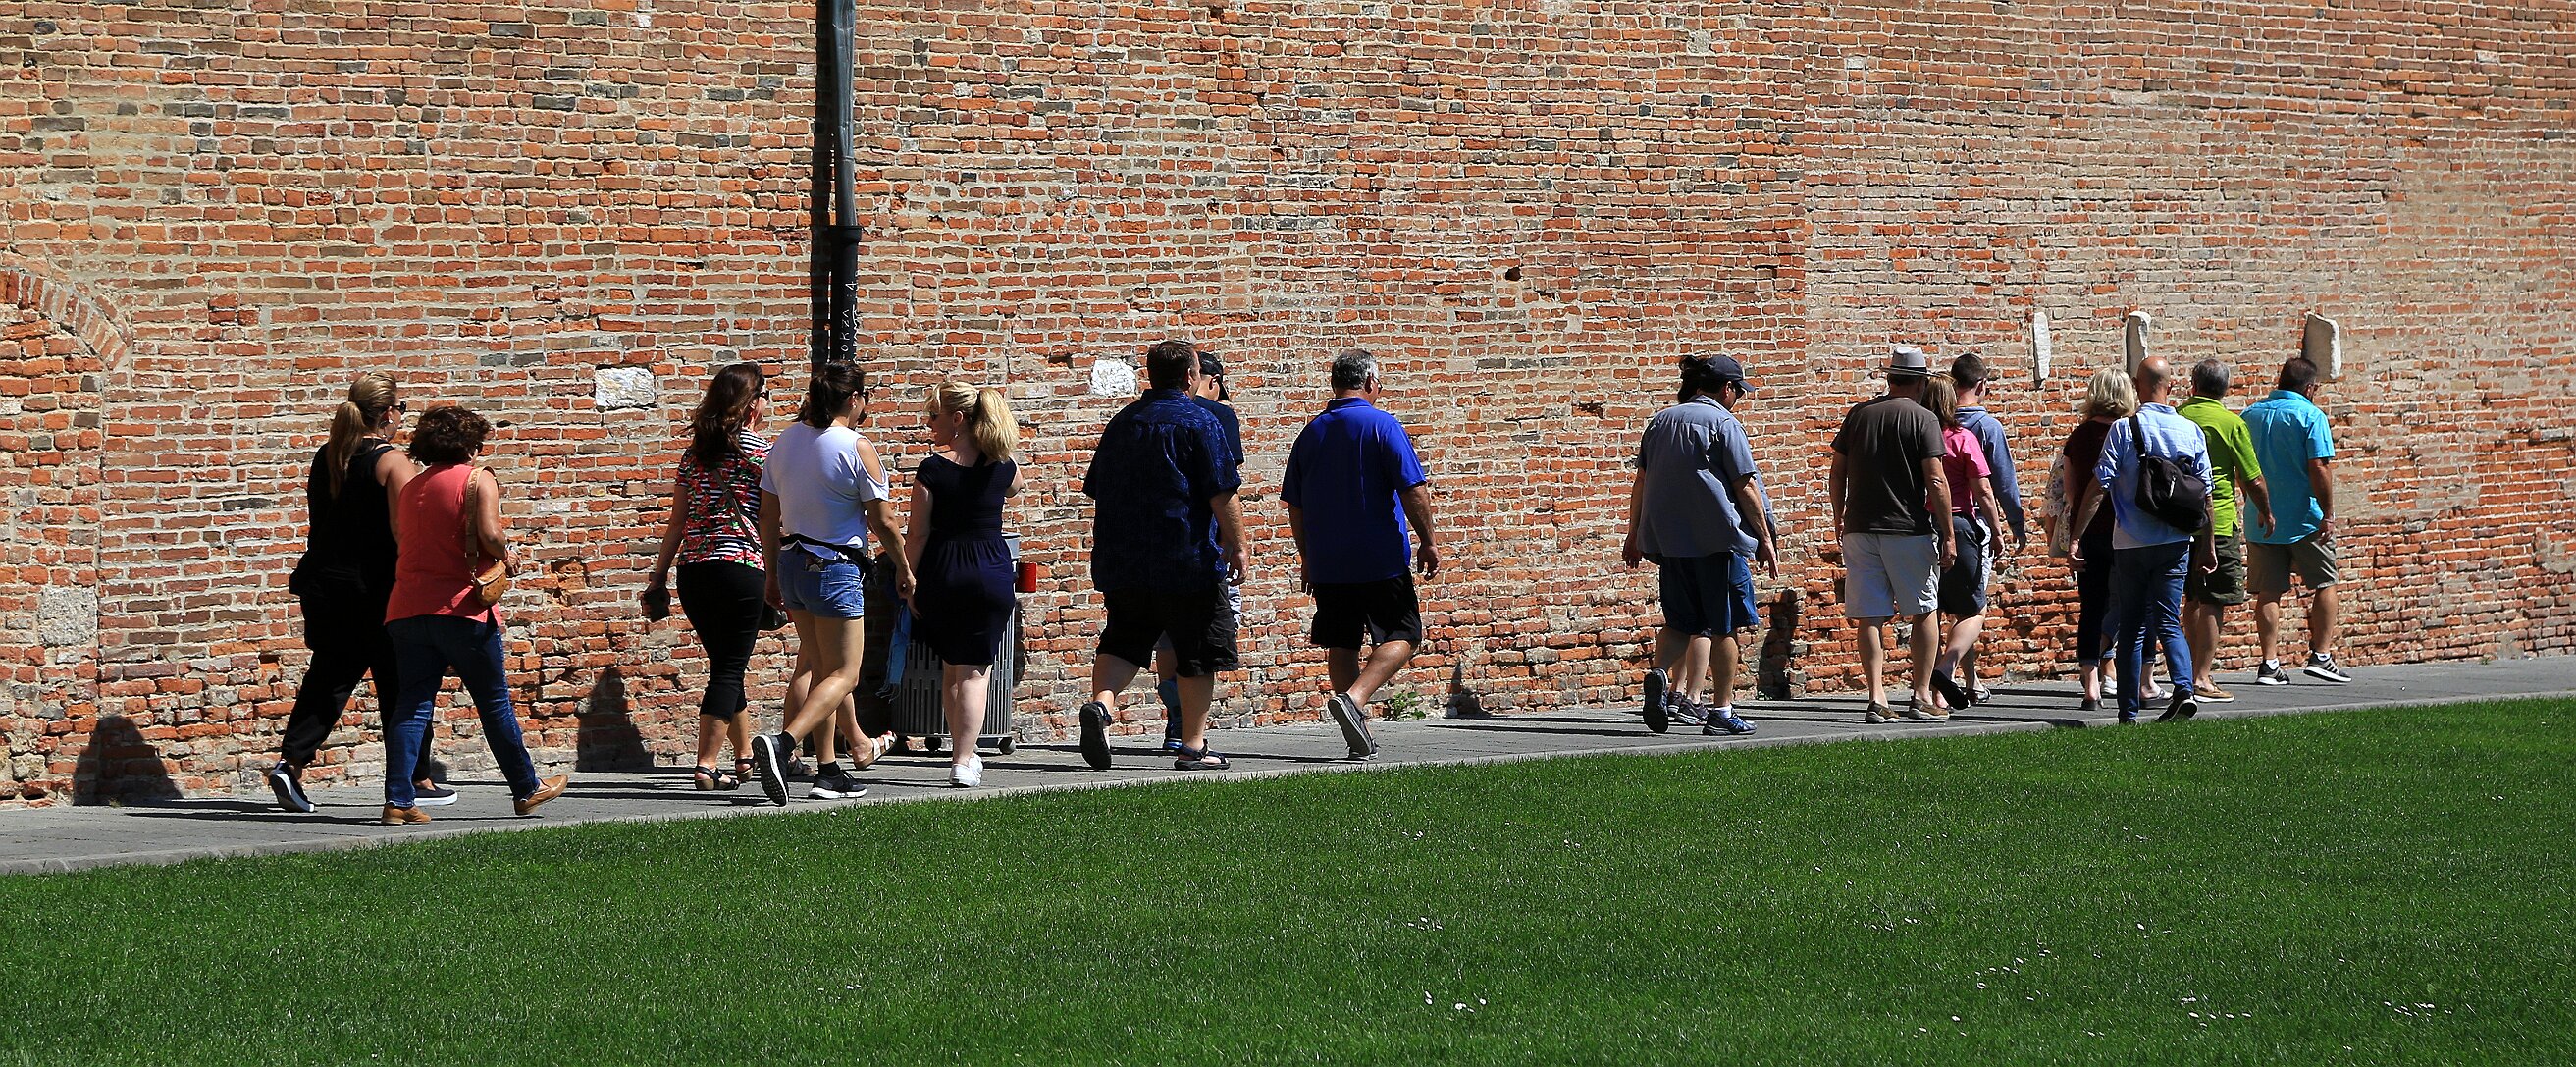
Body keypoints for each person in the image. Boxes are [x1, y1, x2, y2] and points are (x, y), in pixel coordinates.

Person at [265, 372, 448, 813]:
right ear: (386, 414)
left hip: (325, 586)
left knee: (329, 678)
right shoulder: (392, 463)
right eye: (400, 409)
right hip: (379, 590)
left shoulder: (328, 454)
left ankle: (291, 763)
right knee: (404, 682)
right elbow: (406, 533)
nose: (402, 417)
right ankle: (413, 778)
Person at [379, 405, 568, 824]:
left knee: (412, 705)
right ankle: (526, 787)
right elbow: (489, 534)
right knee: (494, 701)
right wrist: (507, 554)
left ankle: (398, 800)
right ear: (469, 445)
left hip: (407, 607)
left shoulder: (412, 487)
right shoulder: (477, 479)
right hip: (462, 607)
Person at [1076, 340, 1246, 772]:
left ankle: (1102, 705)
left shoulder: (1122, 422)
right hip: (1185, 559)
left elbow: (1097, 488)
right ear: (1190, 376)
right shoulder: (1201, 421)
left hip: (1124, 559)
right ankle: (1193, 746)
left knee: (1124, 638)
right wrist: (1238, 544)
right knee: (1196, 651)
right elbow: (1221, 491)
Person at [750, 362, 914, 805]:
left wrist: (771, 572)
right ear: (854, 399)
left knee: (823, 671)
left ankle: (827, 770)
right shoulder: (856, 446)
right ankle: (783, 743)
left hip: (792, 562)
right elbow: (883, 520)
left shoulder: (784, 441)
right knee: (845, 674)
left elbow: (767, 515)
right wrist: (903, 567)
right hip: (835, 567)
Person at [1284, 349, 1442, 758]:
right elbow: (1413, 489)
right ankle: (1354, 699)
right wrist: (1428, 540)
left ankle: (1357, 734)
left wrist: (1307, 557)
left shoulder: (1310, 433)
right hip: (1378, 556)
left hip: (1328, 561)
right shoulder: (1383, 425)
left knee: (1342, 642)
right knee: (1404, 634)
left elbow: (1295, 505)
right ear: (1370, 382)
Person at [1620, 354, 1773, 736]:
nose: (1739, 398)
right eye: (1739, 391)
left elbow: (1641, 482)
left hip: (1670, 544)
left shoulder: (1660, 422)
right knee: (1725, 627)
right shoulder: (1724, 424)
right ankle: (1722, 711)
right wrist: (1765, 538)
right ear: (1727, 388)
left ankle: (1659, 675)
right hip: (1717, 543)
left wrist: (1633, 533)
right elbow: (1745, 485)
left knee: (1679, 624)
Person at [2065, 356, 2215, 723]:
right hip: (2176, 541)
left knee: (2132, 626)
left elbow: (2099, 486)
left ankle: (2128, 712)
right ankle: (2184, 689)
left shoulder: (2123, 429)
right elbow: (2205, 495)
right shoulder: (2190, 430)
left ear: (2136, 385)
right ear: (2171, 385)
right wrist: (2207, 545)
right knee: (2168, 620)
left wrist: (2076, 536)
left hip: (2131, 541)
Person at [645, 363, 773, 792]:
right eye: (765, 396)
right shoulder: (762, 454)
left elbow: (676, 522)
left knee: (724, 663)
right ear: (751, 405)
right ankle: (706, 764)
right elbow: (781, 514)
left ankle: (743, 756)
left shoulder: (694, 454)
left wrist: (658, 577)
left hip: (694, 571)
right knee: (730, 667)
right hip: (741, 567)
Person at [900, 381, 1023, 788]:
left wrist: (907, 576)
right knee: (973, 672)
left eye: (934, 415)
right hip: (989, 568)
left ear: (957, 419)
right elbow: (1015, 486)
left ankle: (962, 754)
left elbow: (918, 533)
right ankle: (963, 759)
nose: (929, 423)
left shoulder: (933, 469)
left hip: (943, 570)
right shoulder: (1001, 464)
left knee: (952, 669)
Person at [1828, 346, 1955, 722]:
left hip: (1859, 528)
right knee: (1924, 610)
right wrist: (1948, 533)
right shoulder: (1924, 419)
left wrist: (1838, 515)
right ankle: (1920, 695)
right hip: (1907, 529)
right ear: (1920, 383)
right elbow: (1936, 479)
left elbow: (1837, 471)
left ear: (1890, 377)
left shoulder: (1859, 415)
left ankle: (1877, 697)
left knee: (1870, 615)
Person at [1154, 349, 1246, 749]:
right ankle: (1190, 732)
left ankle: (1175, 720)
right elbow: (1225, 484)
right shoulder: (1217, 416)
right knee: (1204, 636)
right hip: (1203, 544)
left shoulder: (1149, 416)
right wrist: (1235, 541)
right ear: (1203, 378)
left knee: (1166, 639)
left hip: (1155, 545)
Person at [2242, 356, 2350, 685]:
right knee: (2325, 582)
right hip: (2305, 517)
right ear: (2310, 388)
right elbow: (2319, 467)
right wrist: (2328, 513)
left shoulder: (2250, 415)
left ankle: (2269, 663)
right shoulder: (2311, 416)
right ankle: (2321, 655)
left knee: (2268, 591)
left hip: (2261, 517)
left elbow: (2241, 469)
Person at [2176, 358, 2273, 704]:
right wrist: (2266, 511)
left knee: (2191, 596)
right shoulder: (2231, 424)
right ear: (2226, 389)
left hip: (2179, 521)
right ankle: (2202, 677)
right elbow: (2252, 478)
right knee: (2215, 599)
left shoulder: (2178, 416)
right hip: (2219, 522)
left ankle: (2187, 672)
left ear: (2193, 384)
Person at [1921, 375, 2007, 713]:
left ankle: (1937, 693)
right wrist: (1997, 531)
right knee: (1973, 609)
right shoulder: (1961, 438)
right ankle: (1946, 668)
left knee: (1932, 610)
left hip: (1920, 526)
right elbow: (1983, 490)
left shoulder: (1916, 440)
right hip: (1959, 526)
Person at [1947, 354, 2028, 703]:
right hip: (1975, 523)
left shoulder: (1938, 422)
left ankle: (1970, 678)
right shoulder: (1987, 427)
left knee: (1950, 606)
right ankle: (1950, 674)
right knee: (1974, 606)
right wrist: (2015, 523)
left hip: (1937, 521)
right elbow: (2002, 483)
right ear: (1982, 385)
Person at [2054, 369, 2136, 711]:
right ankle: (2134, 678)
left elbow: (2071, 492)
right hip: (2128, 530)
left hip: (2089, 531)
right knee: (2133, 604)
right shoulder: (2131, 432)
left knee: (2091, 606)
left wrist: (2076, 532)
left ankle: (2091, 687)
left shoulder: (2080, 436)